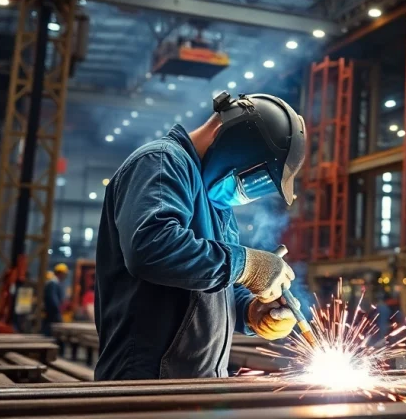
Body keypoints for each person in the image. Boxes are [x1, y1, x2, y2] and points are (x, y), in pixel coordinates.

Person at [95, 91, 306, 380]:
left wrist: (252, 311)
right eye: (247, 178)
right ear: (226, 137)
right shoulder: (161, 161)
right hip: (146, 382)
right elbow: (151, 248)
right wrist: (247, 265)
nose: (244, 193)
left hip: (192, 383)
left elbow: (210, 285)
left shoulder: (216, 204)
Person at [42, 264, 68, 336]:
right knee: (51, 331)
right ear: (60, 273)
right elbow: (53, 299)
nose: (65, 276)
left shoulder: (56, 283)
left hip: (54, 312)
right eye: (64, 274)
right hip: (53, 313)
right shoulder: (53, 283)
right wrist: (57, 310)